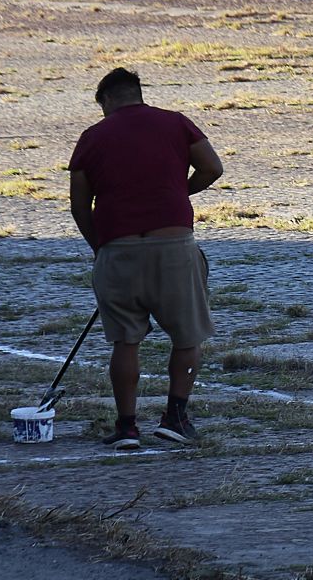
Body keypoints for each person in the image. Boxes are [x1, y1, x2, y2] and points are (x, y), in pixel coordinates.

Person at [68, 67, 224, 449]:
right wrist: (178, 192)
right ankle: (175, 417)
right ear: (138, 93)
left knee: (125, 342)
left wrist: (100, 247)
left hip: (118, 251)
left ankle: (126, 427)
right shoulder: (176, 123)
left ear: (105, 100)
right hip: (173, 247)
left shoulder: (92, 137)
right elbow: (212, 168)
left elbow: (79, 206)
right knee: (188, 336)